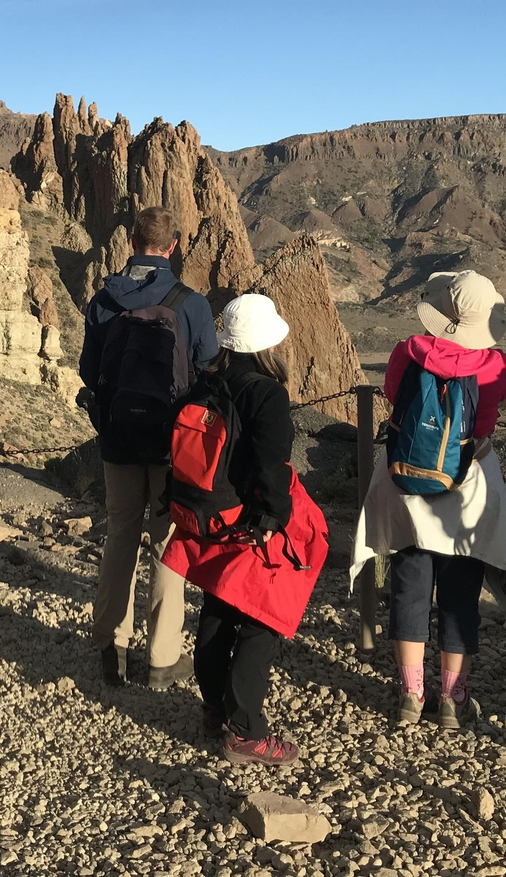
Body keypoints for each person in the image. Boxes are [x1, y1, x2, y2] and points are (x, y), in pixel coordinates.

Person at [349, 270, 506, 730]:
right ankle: (453, 698)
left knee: (409, 587)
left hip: (406, 481)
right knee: (460, 595)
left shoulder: (407, 351)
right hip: (469, 486)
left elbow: (393, 395)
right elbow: (488, 417)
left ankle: (411, 695)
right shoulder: (495, 364)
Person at [161, 294, 329, 766]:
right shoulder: (265, 393)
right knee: (261, 617)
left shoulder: (206, 381)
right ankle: (246, 731)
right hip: (244, 519)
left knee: (218, 606)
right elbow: (270, 465)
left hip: (204, 513)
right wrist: (272, 518)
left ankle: (214, 709)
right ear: (266, 345)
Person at [79, 206, 218, 689]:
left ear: (132, 241)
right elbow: (208, 371)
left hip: (117, 438)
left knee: (120, 534)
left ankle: (111, 648)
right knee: (167, 542)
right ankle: (162, 658)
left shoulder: (104, 300)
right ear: (173, 246)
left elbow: (88, 371)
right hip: (172, 444)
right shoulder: (191, 304)